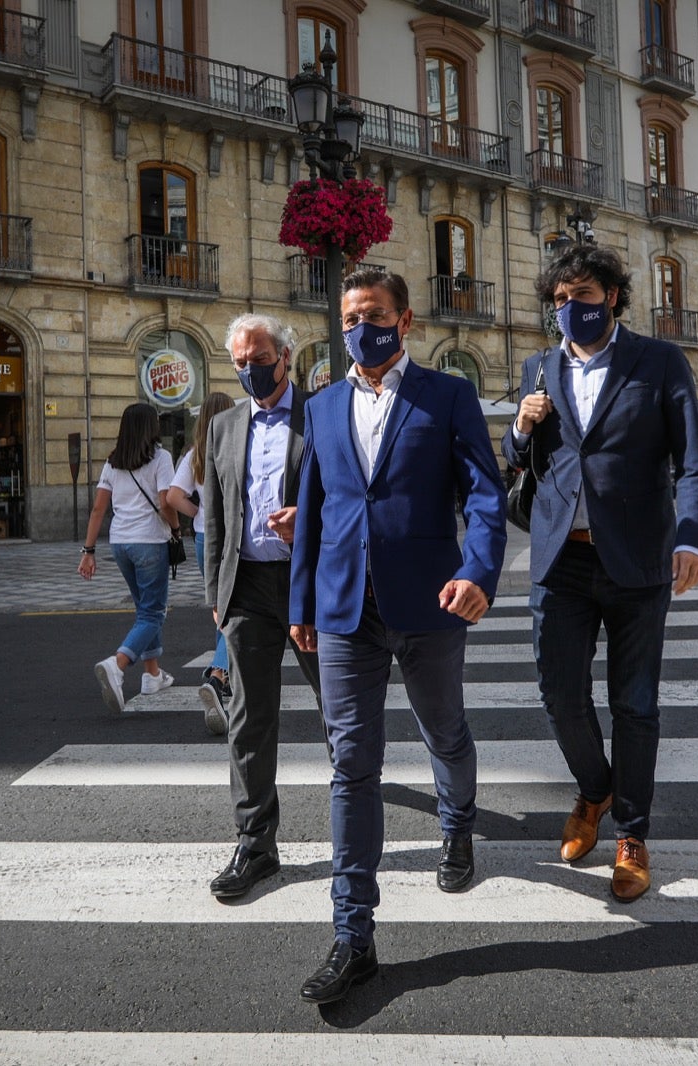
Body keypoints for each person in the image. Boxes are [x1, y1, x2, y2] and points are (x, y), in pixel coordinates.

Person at [289, 269, 506, 1005]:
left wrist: (479, 568)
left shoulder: (447, 395)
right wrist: (302, 602)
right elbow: (313, 511)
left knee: (444, 730)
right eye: (350, 317)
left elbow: (484, 491)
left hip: (433, 600)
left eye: (373, 315)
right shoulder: (320, 407)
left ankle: (457, 825)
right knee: (352, 765)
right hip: (346, 609)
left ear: (404, 320)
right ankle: (355, 935)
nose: (360, 328)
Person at [503, 244, 698, 905]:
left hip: (637, 560)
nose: (572, 310)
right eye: (561, 300)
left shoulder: (658, 362)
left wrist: (693, 539)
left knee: (635, 704)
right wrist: (518, 426)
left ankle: (632, 830)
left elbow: (696, 463)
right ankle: (594, 790)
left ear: (615, 298)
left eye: (585, 298)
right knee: (559, 697)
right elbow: (523, 462)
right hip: (560, 560)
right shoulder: (538, 367)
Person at [201, 313, 320, 903]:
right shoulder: (222, 426)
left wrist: (312, 522)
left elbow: (349, 497)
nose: (250, 369)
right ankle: (255, 843)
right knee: (250, 721)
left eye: (259, 358)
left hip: (311, 587)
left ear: (286, 357)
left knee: (341, 708)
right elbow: (214, 518)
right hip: (245, 587)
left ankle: (357, 823)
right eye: (240, 362)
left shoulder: (322, 415)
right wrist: (214, 597)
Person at [78, 402, 179, 710]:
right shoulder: (161, 458)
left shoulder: (113, 462)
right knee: (153, 612)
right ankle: (117, 665)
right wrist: (176, 528)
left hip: (120, 544)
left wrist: (89, 550)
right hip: (150, 542)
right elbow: (166, 502)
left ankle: (152, 675)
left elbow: (98, 509)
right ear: (152, 427)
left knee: (144, 609)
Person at [166, 391, 236, 736]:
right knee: (235, 609)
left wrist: (198, 515)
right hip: (231, 538)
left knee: (222, 608)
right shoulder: (235, 445)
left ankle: (225, 675)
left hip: (204, 540)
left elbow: (172, 496)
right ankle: (218, 673)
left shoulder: (195, 454)